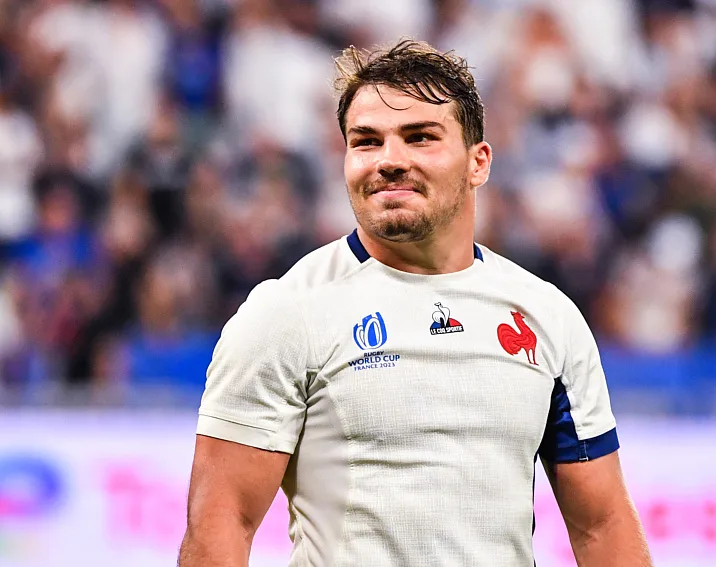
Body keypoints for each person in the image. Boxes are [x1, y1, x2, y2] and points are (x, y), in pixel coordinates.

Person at [178, 39, 652, 567]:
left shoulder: (548, 318)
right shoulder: (286, 312)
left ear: (478, 163)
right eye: (366, 141)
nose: (389, 160)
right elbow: (221, 522)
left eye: (420, 137)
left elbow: (602, 523)